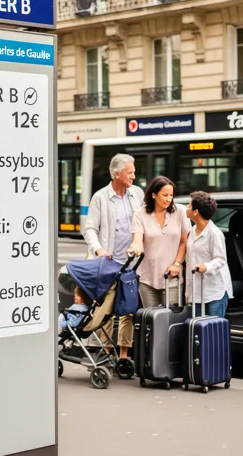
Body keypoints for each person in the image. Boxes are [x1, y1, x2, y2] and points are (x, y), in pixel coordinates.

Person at [82, 153, 143, 360]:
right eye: (130, 172)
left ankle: (124, 356)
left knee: (128, 311)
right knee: (106, 310)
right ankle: (105, 354)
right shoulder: (100, 197)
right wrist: (99, 250)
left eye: (134, 172)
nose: (134, 176)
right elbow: (89, 229)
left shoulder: (137, 194)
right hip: (109, 263)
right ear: (117, 174)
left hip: (131, 264)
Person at [129, 176, 190, 308]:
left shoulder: (181, 211)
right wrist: (135, 247)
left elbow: (184, 242)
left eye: (171, 195)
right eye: (165, 195)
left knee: (170, 320)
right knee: (151, 321)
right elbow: (137, 239)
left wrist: (177, 264)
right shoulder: (139, 214)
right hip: (147, 279)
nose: (169, 199)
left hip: (172, 277)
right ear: (153, 195)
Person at [184, 191, 231, 318]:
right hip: (196, 291)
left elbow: (221, 259)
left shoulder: (214, 233)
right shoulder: (191, 232)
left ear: (196, 212)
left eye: (189, 206)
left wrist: (206, 267)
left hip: (214, 292)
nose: (186, 208)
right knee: (198, 332)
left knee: (214, 333)